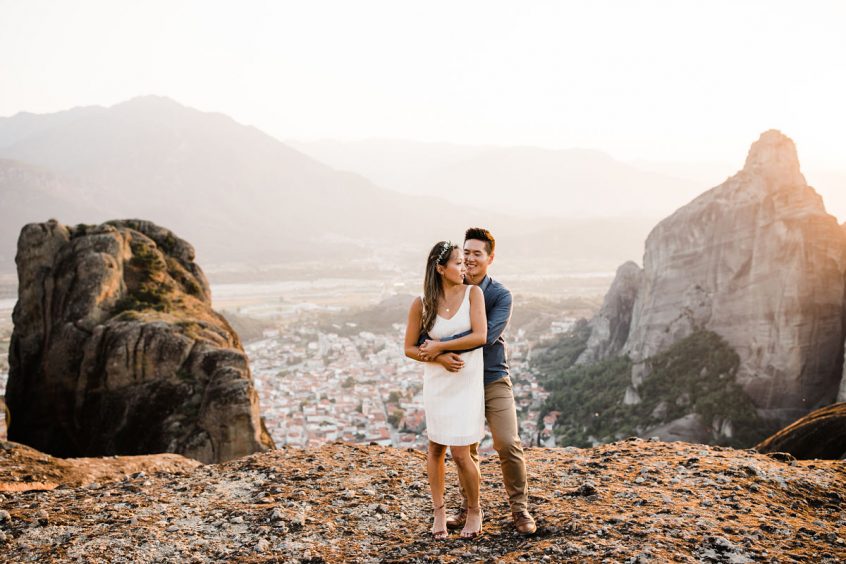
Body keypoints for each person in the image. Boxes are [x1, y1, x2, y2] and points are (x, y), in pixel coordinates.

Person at [418, 227, 537, 535]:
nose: (469, 259)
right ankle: (467, 507)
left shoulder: (498, 295)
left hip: (491, 377)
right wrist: (439, 354)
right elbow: (423, 336)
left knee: (507, 442)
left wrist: (441, 346)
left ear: (490, 258)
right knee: (463, 449)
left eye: (476, 254)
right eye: (465, 253)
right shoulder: (447, 287)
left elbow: (486, 336)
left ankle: (519, 507)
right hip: (457, 379)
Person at [404, 241, 487, 539]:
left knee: (462, 452)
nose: (464, 267)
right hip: (438, 381)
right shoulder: (422, 302)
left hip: (466, 381)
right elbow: (409, 348)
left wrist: (442, 344)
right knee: (436, 448)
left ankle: (474, 510)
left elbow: (480, 335)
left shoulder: (473, 294)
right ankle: (439, 512)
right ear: (440, 268)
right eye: (457, 263)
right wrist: (438, 357)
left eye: (464, 262)